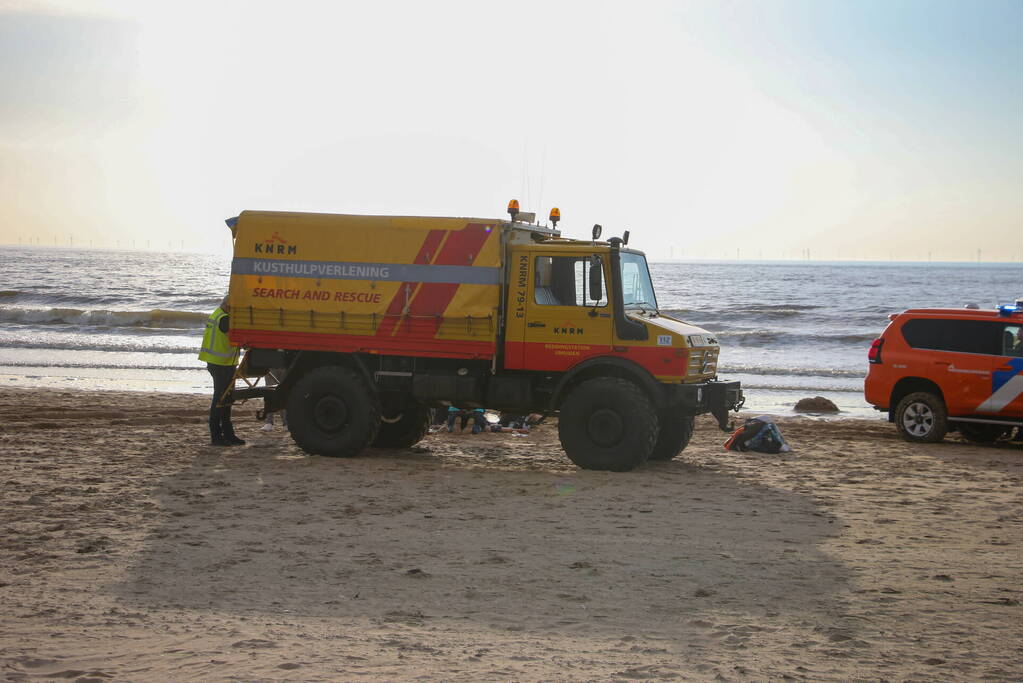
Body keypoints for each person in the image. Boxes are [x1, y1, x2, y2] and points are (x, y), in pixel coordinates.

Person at [198, 295, 244, 446]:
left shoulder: (217, 314)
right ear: (228, 306)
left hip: (220, 363)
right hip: (221, 364)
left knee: (227, 399)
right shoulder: (224, 319)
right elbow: (234, 339)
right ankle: (216, 436)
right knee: (220, 400)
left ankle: (229, 434)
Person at [260, 367, 288, 432]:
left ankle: (285, 423)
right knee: (270, 392)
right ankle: (269, 423)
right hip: (272, 365)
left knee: (283, 393)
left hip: (284, 364)